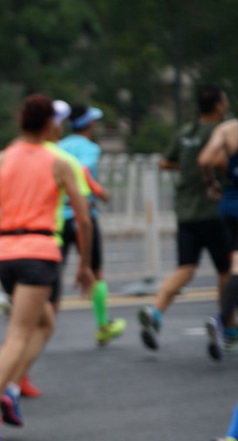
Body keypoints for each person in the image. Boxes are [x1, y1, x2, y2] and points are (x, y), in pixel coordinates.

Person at [0, 94, 94, 441]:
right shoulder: (59, 161)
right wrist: (85, 265)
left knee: (44, 322)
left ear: (21, 121)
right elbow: (82, 219)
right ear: (51, 125)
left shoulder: (3, 157)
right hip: (39, 251)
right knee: (20, 332)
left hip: (5, 252)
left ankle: (11, 391)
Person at [139, 85, 231, 351]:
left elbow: (165, 162)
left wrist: (187, 165)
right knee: (226, 270)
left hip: (185, 210)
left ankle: (155, 312)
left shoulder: (185, 131)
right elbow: (220, 162)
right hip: (213, 211)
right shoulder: (220, 132)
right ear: (218, 106)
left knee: (186, 268)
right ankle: (229, 326)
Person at [58, 103, 127, 345]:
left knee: (53, 273)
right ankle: (103, 326)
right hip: (83, 215)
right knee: (96, 271)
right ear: (88, 124)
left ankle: (38, 322)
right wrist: (100, 190)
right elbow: (82, 170)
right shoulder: (90, 148)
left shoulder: (59, 145)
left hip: (58, 217)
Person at [198, 114, 238, 359]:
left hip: (229, 204)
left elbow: (205, 159)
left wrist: (211, 182)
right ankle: (222, 321)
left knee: (235, 265)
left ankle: (223, 322)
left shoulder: (228, 129)